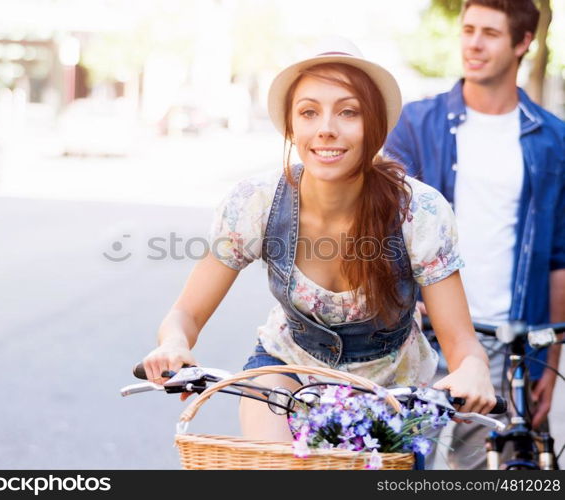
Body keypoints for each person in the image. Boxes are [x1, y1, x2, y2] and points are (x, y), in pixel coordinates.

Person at [142, 37, 496, 443]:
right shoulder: (255, 202)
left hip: (391, 393)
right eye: (309, 112)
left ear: (375, 125)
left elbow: (462, 344)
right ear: (292, 127)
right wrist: (173, 344)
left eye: (348, 112)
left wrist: (472, 368)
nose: (326, 129)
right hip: (286, 371)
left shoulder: (419, 212)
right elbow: (185, 314)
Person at [385, 0, 565, 469]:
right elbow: (379, 224)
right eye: (468, 29)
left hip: (511, 343)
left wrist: (552, 357)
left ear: (524, 43)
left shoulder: (554, 140)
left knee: (496, 473)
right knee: (402, 468)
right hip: (420, 337)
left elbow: (559, 258)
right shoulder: (415, 123)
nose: (474, 43)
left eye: (490, 32)